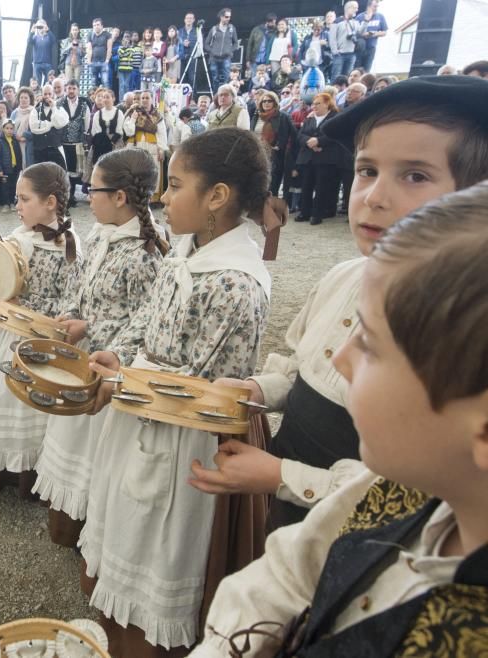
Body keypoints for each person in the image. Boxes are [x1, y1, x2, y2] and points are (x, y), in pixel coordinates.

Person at [190, 183, 488, 657]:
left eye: (369, 343)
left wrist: (282, 475)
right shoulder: (405, 488)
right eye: (366, 169)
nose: (342, 359)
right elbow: (286, 573)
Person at [187, 74, 488, 533]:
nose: (374, 197)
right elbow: (302, 364)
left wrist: (284, 476)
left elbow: (412, 500)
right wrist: (259, 390)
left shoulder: (464, 332)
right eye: (367, 170)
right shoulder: (342, 277)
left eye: (415, 175)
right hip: (288, 501)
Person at [83, 128, 273, 657]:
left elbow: (202, 393)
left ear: (217, 197)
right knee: (127, 525)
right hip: (141, 407)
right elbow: (148, 316)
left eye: (175, 185)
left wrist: (124, 384)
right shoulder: (188, 246)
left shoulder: (236, 283)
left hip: (179, 438)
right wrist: (119, 354)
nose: (163, 198)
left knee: (161, 543)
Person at [34, 148, 166, 549]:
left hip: (107, 365)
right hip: (81, 352)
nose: (86, 195)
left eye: (93, 188)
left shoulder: (146, 253)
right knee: (71, 437)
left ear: (121, 197)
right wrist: (72, 312)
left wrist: (91, 325)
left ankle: (89, 525)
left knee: (95, 449)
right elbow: (81, 283)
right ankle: (65, 517)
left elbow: (146, 319)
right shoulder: (97, 233)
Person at [0, 162, 83, 503]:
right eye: (16, 199)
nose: (16, 206)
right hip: (7, 335)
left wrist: (24, 306)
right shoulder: (14, 239)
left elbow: (71, 305)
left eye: (24, 199)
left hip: (38, 341)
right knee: (0, 395)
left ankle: (27, 477)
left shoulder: (70, 247)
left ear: (50, 202)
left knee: (29, 403)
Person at [295, 93, 345, 225]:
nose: (314, 106)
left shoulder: (335, 117)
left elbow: (336, 135)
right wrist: (309, 142)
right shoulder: (310, 118)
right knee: (306, 185)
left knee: (321, 187)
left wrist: (319, 141)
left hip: (325, 158)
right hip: (308, 157)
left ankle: (317, 214)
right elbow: (300, 135)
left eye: (318, 103)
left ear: (327, 104)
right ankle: (304, 212)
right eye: (313, 104)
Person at [123, 90, 169, 191]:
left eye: (147, 98)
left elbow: (162, 133)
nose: (144, 100)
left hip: (153, 147)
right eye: (142, 98)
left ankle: (152, 197)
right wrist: (133, 119)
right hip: (136, 146)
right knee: (137, 172)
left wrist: (161, 149)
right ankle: (137, 195)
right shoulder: (133, 112)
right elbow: (128, 132)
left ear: (152, 99)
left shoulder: (157, 115)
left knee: (152, 171)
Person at [250, 90, 293, 195]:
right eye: (264, 101)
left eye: (270, 101)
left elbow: (289, 135)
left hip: (274, 154)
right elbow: (251, 133)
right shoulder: (257, 116)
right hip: (257, 153)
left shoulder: (282, 116)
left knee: (271, 185)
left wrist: (278, 146)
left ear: (275, 102)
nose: (266, 103)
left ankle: (269, 208)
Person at [59, 80, 90, 205]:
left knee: (74, 171)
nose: (71, 91)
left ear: (78, 89)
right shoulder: (59, 103)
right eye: (69, 88)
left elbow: (87, 124)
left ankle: (71, 196)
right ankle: (64, 197)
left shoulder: (84, 104)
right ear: (65, 89)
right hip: (62, 142)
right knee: (63, 170)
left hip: (77, 143)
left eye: (74, 88)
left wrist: (84, 138)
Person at [30, 84, 69, 170]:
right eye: (45, 94)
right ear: (42, 95)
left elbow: (60, 124)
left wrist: (53, 107)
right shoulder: (35, 110)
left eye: (49, 94)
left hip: (56, 149)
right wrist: (50, 124)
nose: (47, 96)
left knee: (59, 177)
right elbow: (34, 128)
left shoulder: (59, 108)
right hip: (40, 151)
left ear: (53, 95)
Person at [330, 1, 366, 79]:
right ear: (348, 8)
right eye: (355, 8)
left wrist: (366, 22)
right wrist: (335, 51)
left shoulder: (355, 22)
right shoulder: (337, 21)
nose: (357, 10)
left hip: (352, 53)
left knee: (348, 77)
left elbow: (361, 32)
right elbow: (332, 38)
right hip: (339, 54)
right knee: (336, 76)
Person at [206, 8, 239, 94]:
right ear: (221, 17)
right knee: (215, 78)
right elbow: (206, 44)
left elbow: (236, 43)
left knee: (226, 78)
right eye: (226, 16)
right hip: (214, 58)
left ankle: (225, 96)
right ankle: (216, 97)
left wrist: (230, 51)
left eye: (229, 17)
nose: (228, 18)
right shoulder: (214, 29)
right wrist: (212, 51)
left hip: (226, 58)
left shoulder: (232, 29)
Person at [0, 120, 22, 212]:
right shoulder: (0, 141)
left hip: (14, 168)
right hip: (5, 168)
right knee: (5, 186)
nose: (9, 130)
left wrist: (19, 166)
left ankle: (12, 203)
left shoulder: (15, 141)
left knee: (13, 186)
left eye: (11, 128)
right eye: (7, 128)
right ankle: (6, 204)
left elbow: (18, 154)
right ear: (3, 129)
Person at [10, 87, 36, 169]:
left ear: (30, 99)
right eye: (21, 97)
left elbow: (36, 130)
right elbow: (10, 128)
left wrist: (25, 137)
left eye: (26, 98)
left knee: (29, 168)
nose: (23, 100)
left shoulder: (35, 111)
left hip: (30, 144)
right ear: (18, 99)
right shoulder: (14, 113)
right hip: (16, 143)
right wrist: (16, 136)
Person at [358, 0, 387, 73]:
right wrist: (364, 34)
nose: (376, 8)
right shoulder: (360, 17)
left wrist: (374, 34)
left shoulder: (380, 16)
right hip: (360, 48)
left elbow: (384, 32)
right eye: (374, 6)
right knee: (357, 70)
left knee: (367, 70)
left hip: (371, 48)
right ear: (369, 6)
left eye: (377, 6)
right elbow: (356, 33)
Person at [87, 17, 113, 89]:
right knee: (94, 83)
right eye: (94, 25)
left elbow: (109, 48)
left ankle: (107, 99)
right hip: (93, 62)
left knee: (105, 82)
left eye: (98, 25)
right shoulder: (90, 35)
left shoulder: (107, 34)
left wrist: (107, 60)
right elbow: (89, 49)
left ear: (102, 26)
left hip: (103, 62)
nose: (96, 27)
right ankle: (94, 99)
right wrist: (89, 61)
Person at [29, 19, 56, 87]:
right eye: (39, 27)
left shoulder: (48, 37)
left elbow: (53, 40)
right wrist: (32, 32)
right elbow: (29, 42)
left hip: (47, 63)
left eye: (41, 27)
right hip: (37, 63)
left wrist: (48, 30)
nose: (40, 29)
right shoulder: (35, 37)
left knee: (49, 82)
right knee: (37, 82)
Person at [179, 12, 200, 90]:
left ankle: (193, 98)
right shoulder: (180, 31)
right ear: (184, 20)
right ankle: (183, 99)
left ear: (194, 20)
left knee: (192, 78)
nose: (189, 20)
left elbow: (200, 44)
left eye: (191, 18)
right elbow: (176, 44)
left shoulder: (197, 31)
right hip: (182, 58)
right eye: (187, 18)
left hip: (193, 58)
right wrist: (182, 43)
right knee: (182, 79)